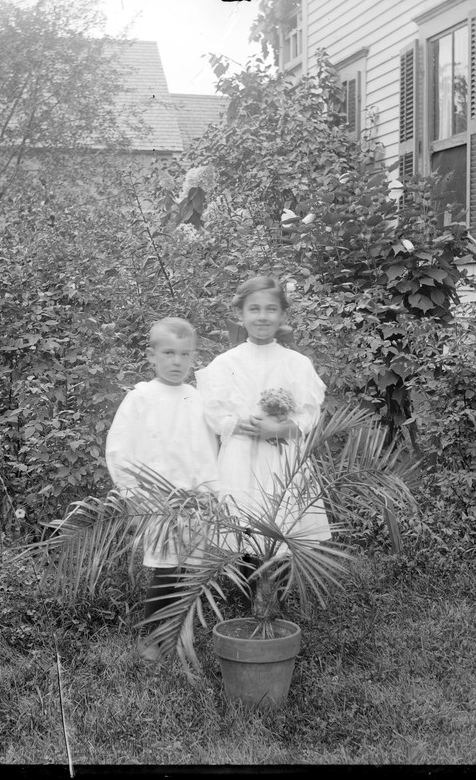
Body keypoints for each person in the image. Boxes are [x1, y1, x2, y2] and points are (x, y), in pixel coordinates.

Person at [195, 276, 331, 565]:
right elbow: (214, 412)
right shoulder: (226, 363)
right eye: (254, 309)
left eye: (271, 309)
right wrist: (238, 423)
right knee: (244, 523)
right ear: (240, 314)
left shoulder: (296, 363)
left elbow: (309, 413)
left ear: (282, 314)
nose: (262, 316)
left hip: (283, 457)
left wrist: (281, 428)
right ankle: (251, 590)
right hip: (242, 455)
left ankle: (275, 593)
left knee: (283, 523)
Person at [105, 317, 219, 659]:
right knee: (166, 568)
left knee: (193, 571)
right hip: (159, 501)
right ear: (151, 355)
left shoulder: (198, 399)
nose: (176, 362)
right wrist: (134, 494)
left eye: (185, 354)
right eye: (168, 353)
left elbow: (208, 450)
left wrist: (212, 491)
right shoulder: (141, 398)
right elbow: (119, 450)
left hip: (198, 501)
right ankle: (153, 638)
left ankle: (183, 635)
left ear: (193, 356)